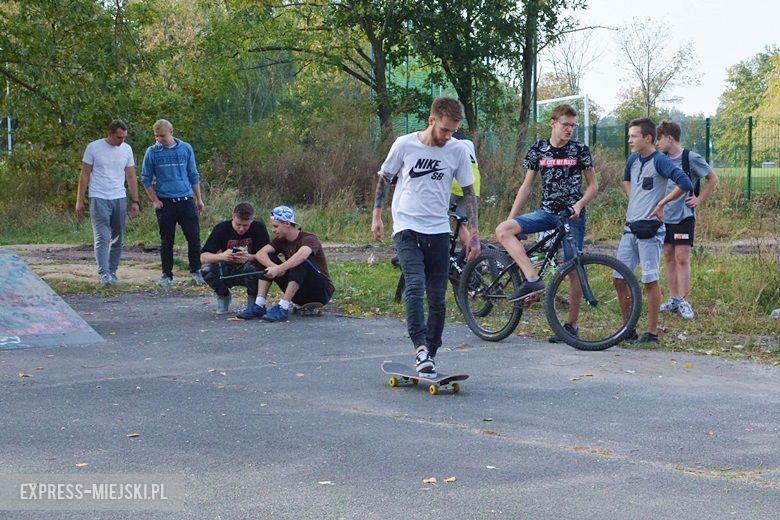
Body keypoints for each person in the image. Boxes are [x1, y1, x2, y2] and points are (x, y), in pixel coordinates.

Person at [372, 96, 480, 378]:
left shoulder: (456, 150)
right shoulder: (405, 144)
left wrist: (475, 235)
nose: (449, 135)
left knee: (438, 298)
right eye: (445, 129)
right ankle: (419, 348)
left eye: (454, 130)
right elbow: (384, 178)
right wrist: (377, 216)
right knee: (415, 286)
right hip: (407, 227)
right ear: (432, 120)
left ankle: (430, 353)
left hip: (438, 230)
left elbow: (469, 194)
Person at [494, 104, 598, 342]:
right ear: (553, 123)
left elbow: (593, 186)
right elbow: (527, 187)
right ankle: (532, 278)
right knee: (503, 230)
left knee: (573, 268)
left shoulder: (580, 150)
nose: (569, 129)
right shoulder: (538, 149)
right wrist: (512, 217)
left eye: (573, 125)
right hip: (546, 213)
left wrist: (579, 205)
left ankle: (571, 326)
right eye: (565, 124)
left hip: (573, 215)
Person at [613, 118, 694, 345]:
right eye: (629, 136)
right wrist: (635, 201)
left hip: (651, 230)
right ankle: (627, 329)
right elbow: (626, 181)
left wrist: (661, 204)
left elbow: (685, 182)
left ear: (647, 138)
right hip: (630, 227)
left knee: (650, 280)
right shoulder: (633, 159)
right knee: (619, 279)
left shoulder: (660, 161)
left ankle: (651, 334)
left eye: (634, 136)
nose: (630, 140)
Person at [655, 121, 719, 320]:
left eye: (659, 138)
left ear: (669, 138)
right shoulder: (661, 159)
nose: (657, 143)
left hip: (684, 215)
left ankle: (684, 301)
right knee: (667, 254)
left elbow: (712, 178)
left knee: (682, 257)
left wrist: (699, 199)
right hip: (665, 215)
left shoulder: (690, 158)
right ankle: (673, 299)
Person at [237, 206, 335, 322]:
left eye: (276, 226)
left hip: (320, 292)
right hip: (299, 295)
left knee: (298, 260)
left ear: (287, 223)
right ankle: (259, 304)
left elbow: (302, 256)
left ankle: (283, 307)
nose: (273, 230)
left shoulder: (309, 238)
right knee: (267, 258)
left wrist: (279, 269)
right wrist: (273, 267)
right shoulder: (280, 240)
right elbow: (260, 254)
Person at [75, 119, 141, 286]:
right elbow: (84, 174)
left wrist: (135, 200)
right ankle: (103, 273)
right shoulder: (94, 148)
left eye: (124, 137)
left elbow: (131, 175)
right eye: (119, 137)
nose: (122, 140)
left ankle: (113, 270)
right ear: (110, 134)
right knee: (102, 236)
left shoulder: (126, 149)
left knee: (118, 237)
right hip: (98, 196)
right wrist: (79, 200)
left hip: (119, 196)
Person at [141, 119, 205, 287]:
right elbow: (145, 178)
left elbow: (193, 174)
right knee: (167, 240)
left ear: (171, 132)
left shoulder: (185, 148)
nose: (159, 139)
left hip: (185, 199)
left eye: (162, 135)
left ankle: (196, 270)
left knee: (193, 237)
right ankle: (166, 274)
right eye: (156, 136)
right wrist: (154, 200)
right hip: (165, 202)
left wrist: (198, 199)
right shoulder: (152, 152)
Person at [200, 202, 270, 314]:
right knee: (206, 270)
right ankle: (223, 295)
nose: (241, 229)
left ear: (252, 220)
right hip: (227, 266)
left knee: (262, 269)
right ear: (233, 217)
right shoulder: (221, 228)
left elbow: (267, 255)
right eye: (238, 224)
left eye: (245, 225)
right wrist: (222, 256)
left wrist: (250, 257)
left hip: (249, 267)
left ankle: (254, 299)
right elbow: (203, 257)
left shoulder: (259, 228)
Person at [451, 129, 482, 248]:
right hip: (473, 182)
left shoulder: (446, 140)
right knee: (461, 223)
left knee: (437, 217)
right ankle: (471, 259)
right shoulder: (469, 141)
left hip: (455, 181)